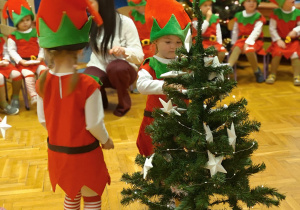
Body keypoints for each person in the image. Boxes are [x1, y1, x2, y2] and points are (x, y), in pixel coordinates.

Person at [36, 0, 114, 209]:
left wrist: (61, 132)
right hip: (85, 154)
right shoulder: (88, 84)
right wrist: (106, 140)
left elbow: (43, 120)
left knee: (71, 195)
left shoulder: (42, 81)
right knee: (91, 197)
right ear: (80, 50)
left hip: (58, 153)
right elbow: (94, 124)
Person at [136, 0, 191, 156]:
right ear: (156, 41)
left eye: (178, 42)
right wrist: (164, 86)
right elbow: (141, 85)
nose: (173, 46)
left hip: (182, 121)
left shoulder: (184, 64)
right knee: (158, 158)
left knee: (180, 156)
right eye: (168, 42)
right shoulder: (151, 64)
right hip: (156, 122)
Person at [86, 0, 144, 117]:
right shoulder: (90, 23)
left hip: (124, 70)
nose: (87, 6)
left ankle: (124, 104)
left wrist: (124, 51)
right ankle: (101, 103)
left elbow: (139, 56)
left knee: (116, 67)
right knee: (89, 77)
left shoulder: (125, 22)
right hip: (100, 67)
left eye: (91, 2)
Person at [3, 0, 47, 105]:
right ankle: (33, 96)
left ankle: (44, 93)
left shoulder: (35, 32)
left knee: (44, 72)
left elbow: (42, 46)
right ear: (17, 22)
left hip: (37, 61)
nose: (25, 22)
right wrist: (20, 60)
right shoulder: (13, 36)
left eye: (27, 19)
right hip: (24, 64)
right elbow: (12, 51)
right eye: (22, 20)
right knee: (29, 75)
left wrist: (40, 57)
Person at [228, 0, 265, 83]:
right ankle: (226, 70)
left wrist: (248, 42)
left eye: (254, 1)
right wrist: (233, 43)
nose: (251, 3)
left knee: (249, 50)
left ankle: (257, 71)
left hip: (255, 40)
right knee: (236, 49)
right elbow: (235, 30)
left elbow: (257, 31)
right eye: (248, 1)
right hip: (241, 40)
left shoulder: (258, 16)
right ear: (243, 3)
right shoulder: (239, 15)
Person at [266, 0, 300, 85]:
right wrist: (278, 40)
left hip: (292, 41)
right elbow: (272, 29)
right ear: (282, 2)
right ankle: (272, 73)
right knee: (277, 52)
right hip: (280, 40)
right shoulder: (276, 13)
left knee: (295, 54)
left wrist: (295, 31)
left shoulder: (297, 12)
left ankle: (297, 75)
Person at [0, 33, 21, 115]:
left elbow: (5, 52)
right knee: (0, 77)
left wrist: (5, 59)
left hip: (2, 64)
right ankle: (3, 103)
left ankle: (15, 97)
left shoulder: (1, 38)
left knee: (17, 74)